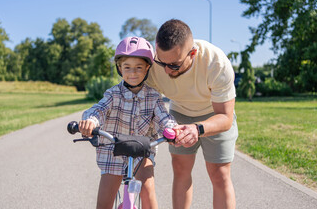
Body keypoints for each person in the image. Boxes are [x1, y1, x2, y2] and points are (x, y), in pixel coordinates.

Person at [146, 19, 238, 209]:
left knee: (219, 174)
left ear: (193, 53)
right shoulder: (156, 65)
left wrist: (198, 129)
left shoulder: (216, 63)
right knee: (180, 169)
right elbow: (147, 104)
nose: (166, 70)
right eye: (162, 62)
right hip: (179, 113)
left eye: (174, 65)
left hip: (214, 115)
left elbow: (226, 118)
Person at [79, 36, 177, 209]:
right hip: (112, 150)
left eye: (139, 67)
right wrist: (90, 121)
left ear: (148, 67)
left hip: (142, 150)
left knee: (148, 190)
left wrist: (172, 129)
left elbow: (164, 117)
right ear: (119, 68)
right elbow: (99, 109)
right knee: (104, 201)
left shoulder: (153, 96)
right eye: (127, 67)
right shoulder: (113, 94)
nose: (133, 73)